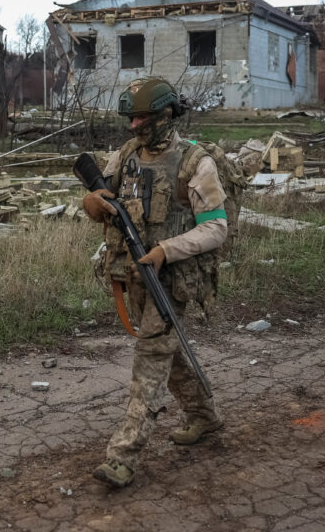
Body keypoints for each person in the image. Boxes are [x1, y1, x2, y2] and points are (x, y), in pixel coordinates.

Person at [82, 78, 226, 489]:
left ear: (165, 116)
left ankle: (123, 456)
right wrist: (91, 203)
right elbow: (102, 197)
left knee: (150, 356)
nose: (134, 126)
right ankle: (205, 417)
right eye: (131, 118)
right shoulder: (125, 155)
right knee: (167, 351)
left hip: (173, 278)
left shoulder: (196, 163)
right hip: (132, 273)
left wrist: (166, 250)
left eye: (142, 118)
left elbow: (215, 228)